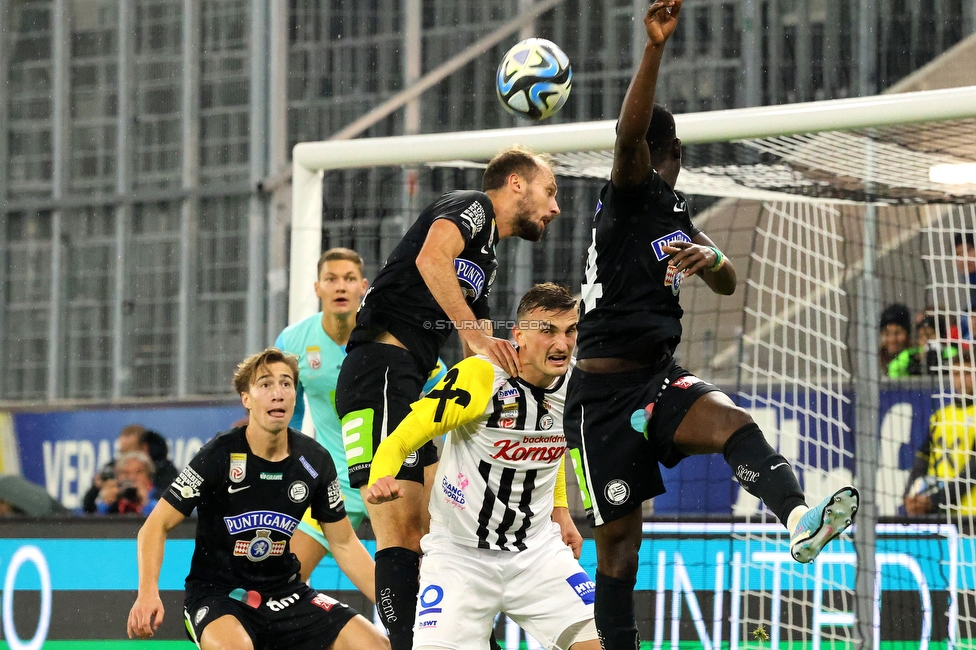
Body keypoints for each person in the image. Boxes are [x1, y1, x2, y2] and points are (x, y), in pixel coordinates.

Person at [563, 3, 859, 649]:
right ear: (664, 151)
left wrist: (712, 257)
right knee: (619, 552)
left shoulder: (673, 212)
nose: (637, 155)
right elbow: (627, 133)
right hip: (601, 400)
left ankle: (800, 519)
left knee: (734, 425)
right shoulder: (627, 191)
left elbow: (725, 279)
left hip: (656, 377)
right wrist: (654, 49)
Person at [335, 145, 560, 650]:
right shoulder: (472, 206)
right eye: (550, 191)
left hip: (405, 378)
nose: (555, 207)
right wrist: (478, 337)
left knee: (443, 529)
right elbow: (430, 259)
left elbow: (475, 348)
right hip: (382, 372)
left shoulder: (486, 257)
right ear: (516, 185)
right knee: (403, 533)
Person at [366, 284, 599, 650]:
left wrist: (560, 508)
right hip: (460, 557)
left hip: (537, 553)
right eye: (548, 331)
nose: (562, 344)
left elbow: (552, 445)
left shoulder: (579, 386)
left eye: (570, 331)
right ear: (519, 335)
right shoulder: (482, 377)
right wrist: (381, 474)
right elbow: (402, 437)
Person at [126, 348, 389, 650]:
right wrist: (148, 592)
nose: (278, 393)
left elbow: (343, 543)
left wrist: (392, 602)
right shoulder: (218, 455)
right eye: (265, 384)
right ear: (246, 398)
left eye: (286, 384)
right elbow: (154, 527)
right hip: (218, 597)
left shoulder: (315, 460)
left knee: (377, 646)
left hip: (288, 594)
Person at [904, 347, 976, 516]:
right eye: (956, 374)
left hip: (970, 512)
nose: (961, 380)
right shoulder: (940, 416)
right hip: (939, 512)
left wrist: (935, 500)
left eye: (967, 374)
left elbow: (973, 470)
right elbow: (923, 457)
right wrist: (910, 494)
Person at [83, 423, 147, 513]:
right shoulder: (111, 469)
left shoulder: (156, 471)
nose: (131, 477)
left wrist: (146, 501)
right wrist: (103, 496)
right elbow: (89, 510)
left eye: (132, 450)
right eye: (125, 472)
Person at [96, 451, 158, 515]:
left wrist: (145, 502)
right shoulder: (115, 497)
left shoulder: (159, 495)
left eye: (138, 472)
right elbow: (91, 519)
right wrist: (105, 503)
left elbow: (160, 518)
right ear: (118, 477)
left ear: (149, 476)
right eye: (126, 473)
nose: (132, 478)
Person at [879, 303, 913, 375]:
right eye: (887, 334)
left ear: (908, 335)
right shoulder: (875, 363)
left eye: (897, 333)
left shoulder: (915, 361)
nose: (892, 339)